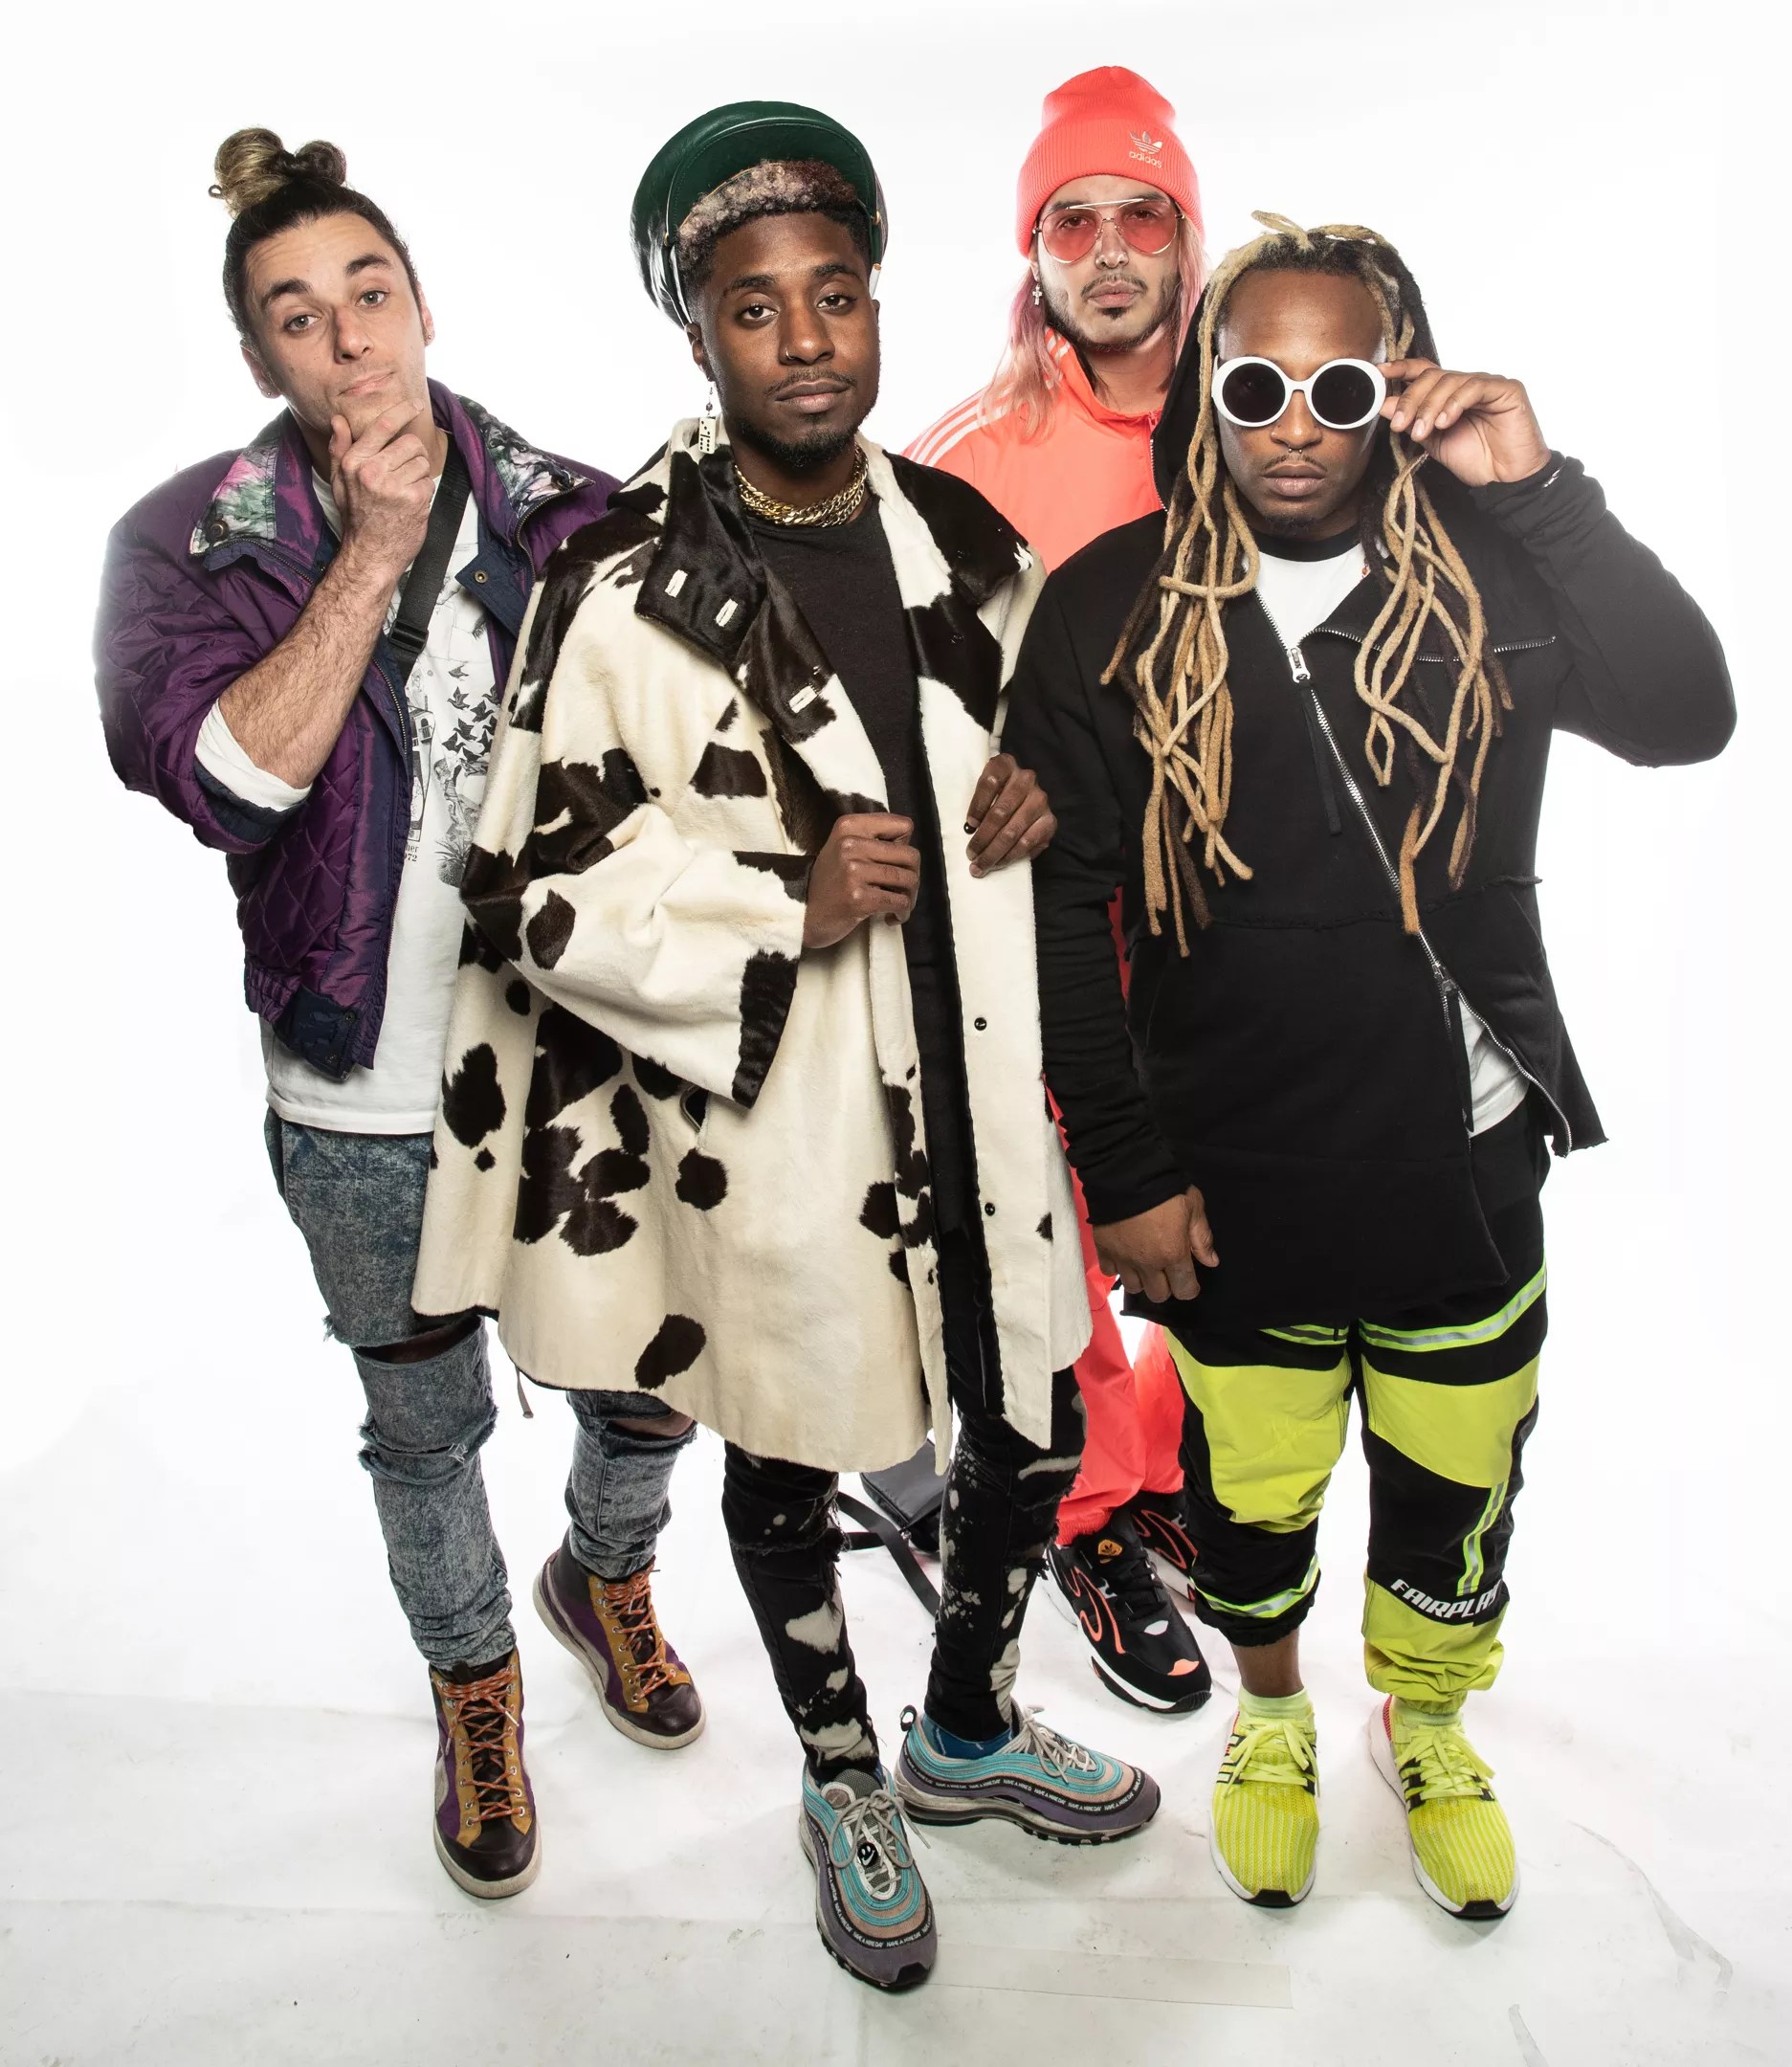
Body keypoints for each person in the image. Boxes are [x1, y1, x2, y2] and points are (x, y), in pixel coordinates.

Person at [413, 101, 1160, 1991]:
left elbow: (1062, 765)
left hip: (978, 1071)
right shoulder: (619, 581)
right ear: (699, 334)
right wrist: (781, 901)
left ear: (879, 304)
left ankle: (963, 1730)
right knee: (792, 1443)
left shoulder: (966, 540)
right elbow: (526, 886)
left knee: (1030, 1427)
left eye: (836, 294)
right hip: (776, 1118)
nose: (806, 338)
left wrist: (1051, 796)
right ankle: (840, 1776)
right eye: (756, 308)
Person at [1004, 213, 1733, 1918]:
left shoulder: (1489, 574)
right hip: (1227, 1180)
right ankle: (1270, 1721)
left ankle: (1430, 1720)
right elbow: (1059, 917)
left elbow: (1683, 713)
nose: (1292, 425)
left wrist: (1536, 485)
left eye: (1337, 387)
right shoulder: (1108, 605)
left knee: (1454, 1486)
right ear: (1203, 391)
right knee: (1250, 1499)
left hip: (1458, 1165)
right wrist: (1125, 1173)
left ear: (1394, 386)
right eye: (1251, 385)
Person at [95, 131, 703, 1904]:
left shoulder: (580, 513)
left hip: (583, 1069)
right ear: (259, 359)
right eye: (300, 315)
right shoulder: (184, 545)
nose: (350, 336)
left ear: (423, 305)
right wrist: (365, 556)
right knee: (424, 1426)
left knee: (647, 1382)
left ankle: (604, 1576)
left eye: (371, 292)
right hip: (359, 1088)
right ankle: (475, 1692)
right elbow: (225, 785)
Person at [908, 67, 1211, 1712]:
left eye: (1136, 215)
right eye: (1067, 219)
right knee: (1059, 1227)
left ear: (1184, 234)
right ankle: (1088, 1511)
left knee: (1222, 1213)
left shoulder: (1261, 420)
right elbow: (888, 689)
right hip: (1039, 916)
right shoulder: (969, 460)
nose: (1104, 250)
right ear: (1031, 253)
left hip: (1227, 912)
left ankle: (1156, 1462)